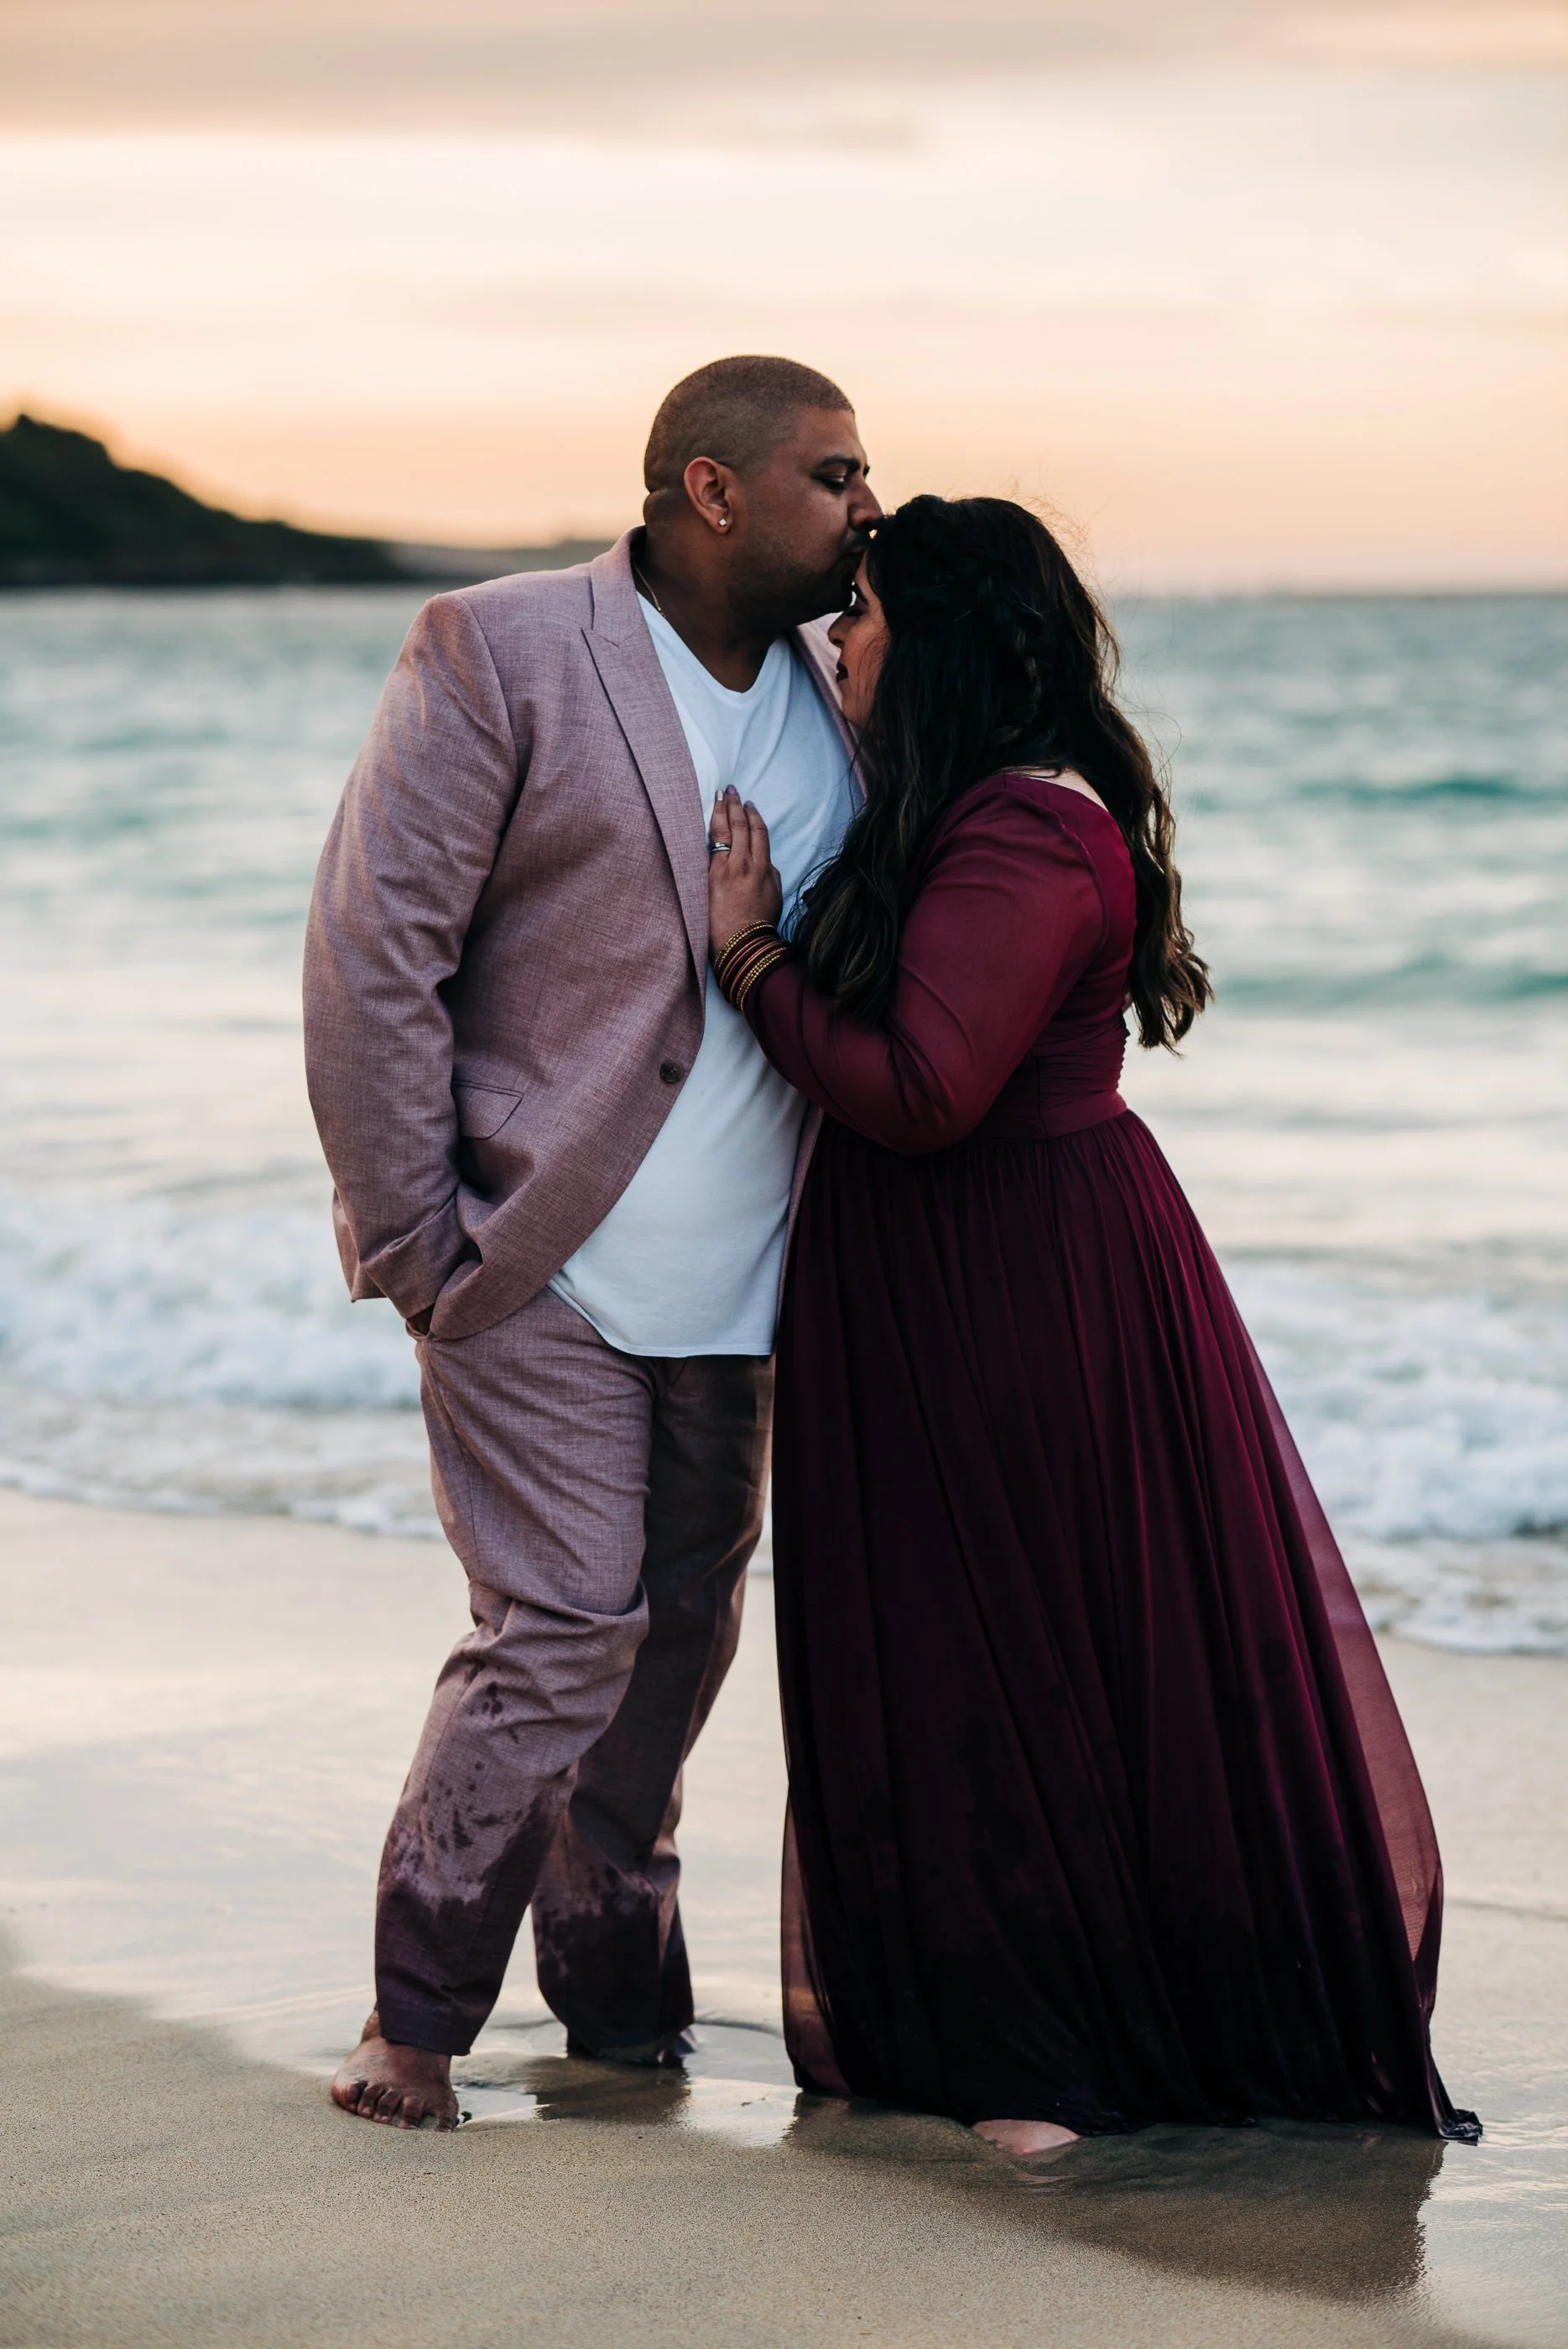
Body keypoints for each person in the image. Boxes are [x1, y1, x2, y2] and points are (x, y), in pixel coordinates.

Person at [705, 493, 1479, 2155]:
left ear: (944, 642)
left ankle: (1043, 2061)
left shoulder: (1028, 831)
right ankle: (1011, 2031)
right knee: (977, 1633)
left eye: (862, 615)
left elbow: (921, 1088)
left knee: (1007, 1638)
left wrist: (751, 953)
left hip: (1011, 1281)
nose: (839, 640)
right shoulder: (973, 808)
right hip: (957, 1273)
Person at [305, 356, 879, 2128]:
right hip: (535, 1250)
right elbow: (372, 945)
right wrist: (421, 1233)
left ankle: (620, 2002)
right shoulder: (501, 646)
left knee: (676, 1649)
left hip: (751, 1281)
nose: (867, 502)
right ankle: (413, 2017)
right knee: (562, 1627)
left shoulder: (836, 694)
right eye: (832, 472)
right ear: (711, 490)